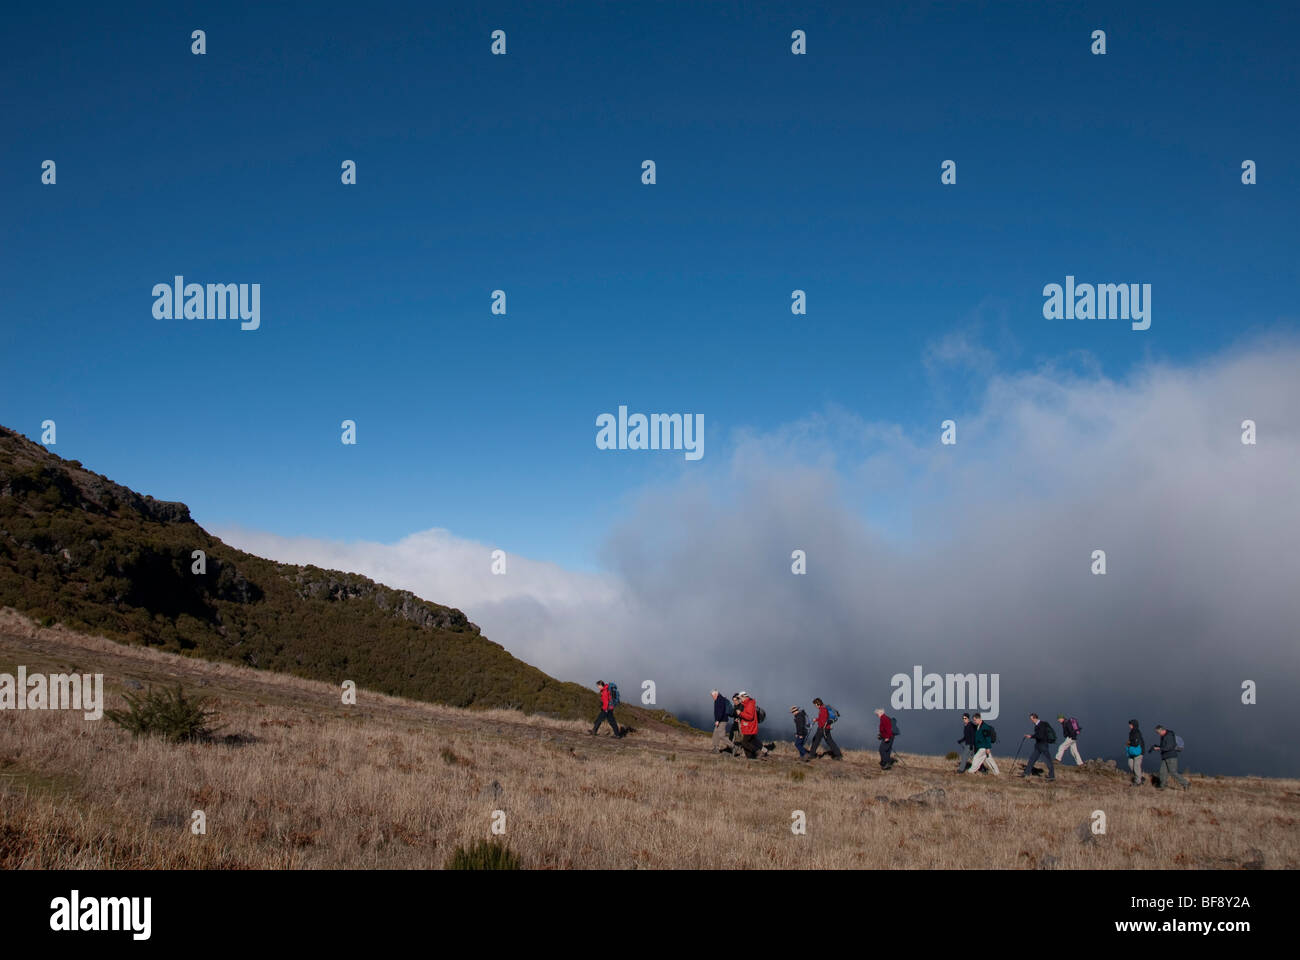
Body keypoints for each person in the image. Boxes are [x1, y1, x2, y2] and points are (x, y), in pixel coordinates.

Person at [1149, 724, 1190, 790]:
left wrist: (1159, 748)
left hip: (1171, 757)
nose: (1158, 734)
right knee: (1162, 772)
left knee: (1173, 772)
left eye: (1158, 732)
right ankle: (1162, 786)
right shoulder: (1163, 736)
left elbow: (1169, 747)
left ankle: (1186, 783)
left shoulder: (1169, 736)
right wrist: (1157, 746)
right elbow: (1165, 746)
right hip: (1165, 756)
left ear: (1162, 730)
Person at [733, 692, 769, 759]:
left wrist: (740, 714)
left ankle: (758, 752)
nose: (740, 699)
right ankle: (750, 758)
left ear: (744, 697)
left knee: (744, 743)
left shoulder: (750, 704)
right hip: (747, 727)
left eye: (740, 698)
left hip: (750, 727)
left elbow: (750, 717)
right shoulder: (747, 703)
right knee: (749, 742)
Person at [1020, 713, 1055, 780]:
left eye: (1032, 719)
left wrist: (1031, 736)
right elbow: (1038, 735)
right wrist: (1032, 736)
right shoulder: (1037, 725)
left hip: (1043, 745)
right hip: (1038, 745)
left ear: (1035, 718)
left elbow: (1040, 736)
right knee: (1032, 759)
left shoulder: (1041, 725)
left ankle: (1052, 776)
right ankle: (1026, 773)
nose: (1031, 720)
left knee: (1048, 761)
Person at [1126, 718, 1146, 786]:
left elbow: (1136, 743)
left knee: (1136, 767)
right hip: (1132, 752)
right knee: (1130, 764)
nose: (1129, 726)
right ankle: (1140, 777)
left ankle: (1138, 782)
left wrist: (1129, 743)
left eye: (1130, 724)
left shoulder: (1136, 732)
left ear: (1134, 725)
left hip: (1138, 752)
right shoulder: (1132, 732)